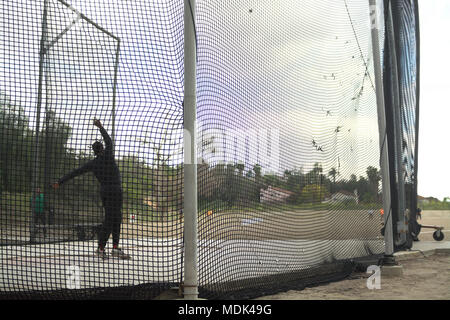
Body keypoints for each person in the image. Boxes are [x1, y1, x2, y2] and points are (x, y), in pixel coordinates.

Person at [52, 119, 130, 260]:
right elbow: (109, 142)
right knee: (113, 220)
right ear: (103, 149)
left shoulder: (93, 163)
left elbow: (75, 172)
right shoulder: (108, 155)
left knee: (114, 219)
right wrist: (100, 127)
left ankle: (112, 248)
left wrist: (60, 181)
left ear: (94, 152)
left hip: (106, 192)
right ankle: (103, 248)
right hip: (115, 191)